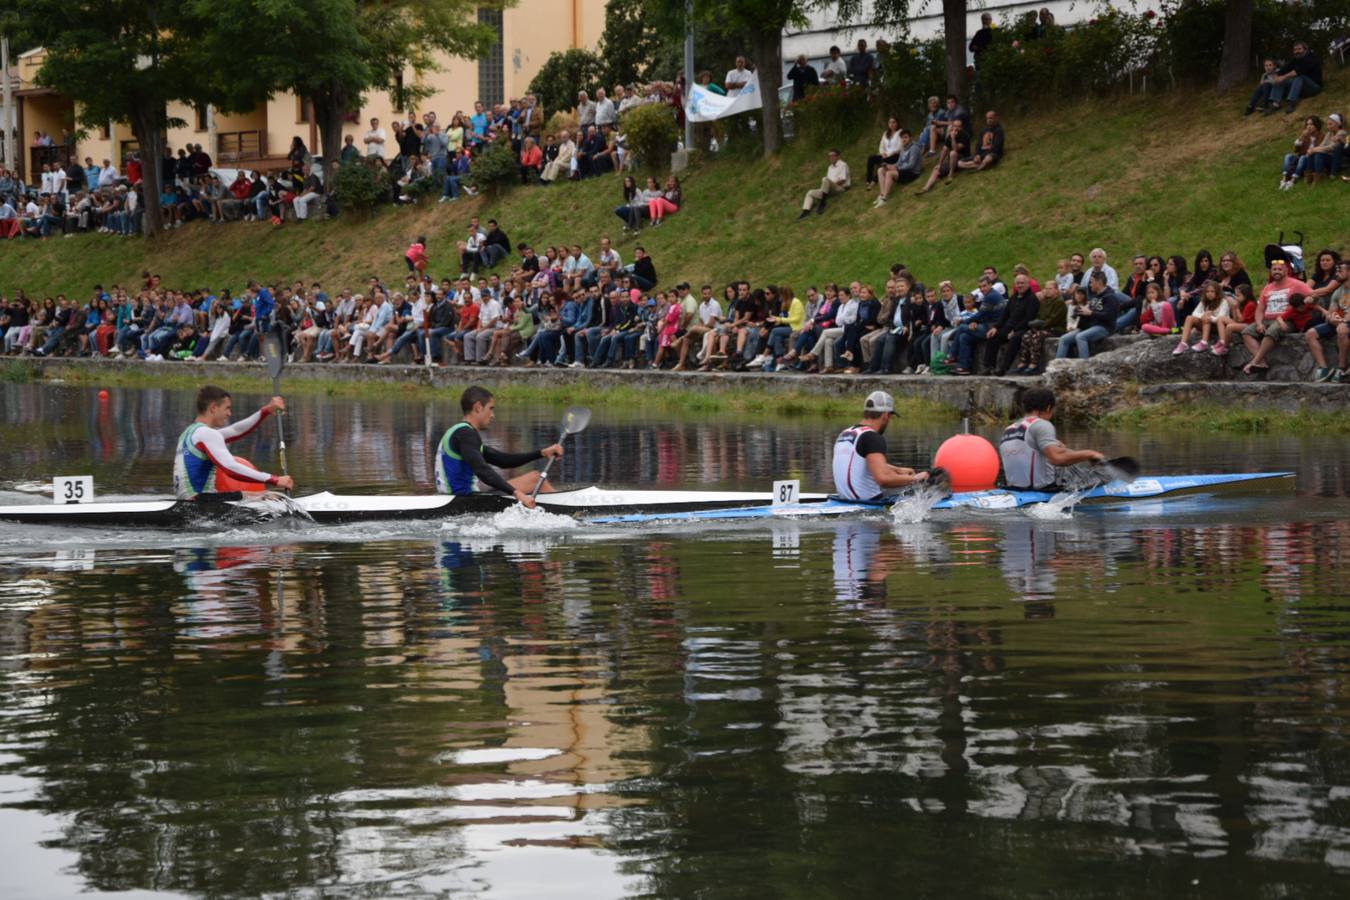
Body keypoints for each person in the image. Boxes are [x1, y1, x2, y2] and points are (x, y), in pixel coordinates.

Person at [435, 386, 564, 508]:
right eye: (490, 408)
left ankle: (560, 505)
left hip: (458, 500)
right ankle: (566, 508)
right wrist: (516, 493)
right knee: (535, 478)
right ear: (478, 407)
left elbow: (502, 460)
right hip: (464, 502)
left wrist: (541, 453)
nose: (493, 415)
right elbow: (482, 470)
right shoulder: (466, 434)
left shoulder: (457, 433)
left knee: (534, 477)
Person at [174, 385, 294, 499]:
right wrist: (274, 479)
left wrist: (266, 410)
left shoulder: (189, 434)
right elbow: (231, 467)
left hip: (187, 501)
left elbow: (236, 430)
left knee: (256, 495)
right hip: (201, 503)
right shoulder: (207, 434)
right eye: (227, 408)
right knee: (267, 497)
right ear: (213, 408)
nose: (229, 414)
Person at [1000, 388, 1107, 492]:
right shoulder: (1042, 424)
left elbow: (1028, 452)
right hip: (1043, 489)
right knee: (1102, 476)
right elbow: (1057, 459)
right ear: (1048, 407)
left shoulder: (1009, 429)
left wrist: (1061, 449)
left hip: (1013, 488)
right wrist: (1090, 454)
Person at [832, 391, 931, 501]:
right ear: (885, 415)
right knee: (924, 487)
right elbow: (884, 479)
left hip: (845, 499)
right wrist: (916, 478)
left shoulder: (845, 434)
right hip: (867, 503)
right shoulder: (872, 437)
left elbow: (861, 463)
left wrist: (898, 470)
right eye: (890, 417)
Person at [1265, 40, 1322, 115]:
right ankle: (1275, 104)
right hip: (1301, 89)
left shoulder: (1311, 57)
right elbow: (1284, 69)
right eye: (1295, 49)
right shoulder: (1295, 59)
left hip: (1314, 87)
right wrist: (1277, 76)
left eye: (1299, 49)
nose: (1297, 51)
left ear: (1305, 49)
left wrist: (1283, 77)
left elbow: (1297, 71)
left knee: (1299, 77)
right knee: (1280, 80)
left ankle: (1291, 102)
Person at [798, 149, 850, 219]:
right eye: (830, 156)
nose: (831, 158)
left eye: (833, 156)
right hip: (829, 190)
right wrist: (826, 187)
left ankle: (823, 203)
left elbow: (843, 180)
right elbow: (828, 181)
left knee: (825, 179)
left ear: (838, 156)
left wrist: (830, 185)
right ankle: (806, 212)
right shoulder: (830, 167)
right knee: (810, 192)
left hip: (840, 188)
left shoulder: (843, 165)